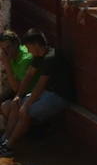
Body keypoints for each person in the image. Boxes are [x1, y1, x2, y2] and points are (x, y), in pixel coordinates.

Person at [0, 30, 72, 158]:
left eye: (29, 47)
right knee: (16, 104)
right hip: (47, 93)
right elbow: (28, 76)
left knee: (25, 111)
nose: (28, 50)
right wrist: (19, 96)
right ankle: (5, 139)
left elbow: (40, 85)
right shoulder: (39, 56)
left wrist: (26, 104)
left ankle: (9, 146)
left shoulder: (50, 58)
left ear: (36, 45)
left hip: (59, 96)